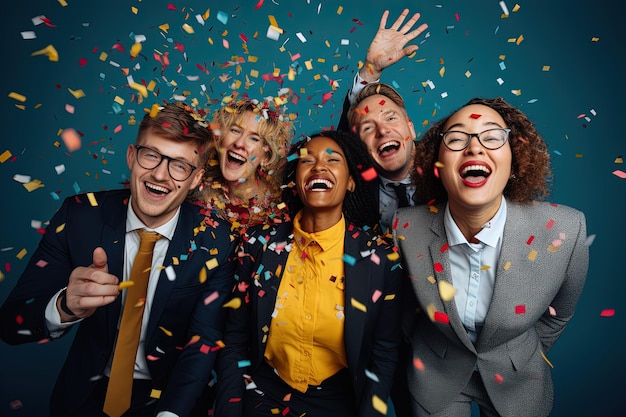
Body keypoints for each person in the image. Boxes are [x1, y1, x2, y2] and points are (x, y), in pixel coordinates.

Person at [0, 102, 239, 417]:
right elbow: (10, 325)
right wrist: (65, 306)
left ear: (196, 180)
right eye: (151, 155)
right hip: (84, 398)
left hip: (170, 400)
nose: (160, 174)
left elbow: (203, 342)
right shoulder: (80, 216)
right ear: (131, 156)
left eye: (179, 165)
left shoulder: (217, 239)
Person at [394, 97, 589, 417]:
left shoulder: (566, 231)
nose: (474, 148)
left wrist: (513, 353)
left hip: (517, 379)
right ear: (436, 164)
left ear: (516, 160)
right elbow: (403, 310)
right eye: (456, 138)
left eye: (493, 136)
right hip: (436, 374)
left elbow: (559, 315)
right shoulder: (404, 226)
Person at [214, 130, 405, 417]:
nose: (318, 166)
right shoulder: (257, 246)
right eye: (307, 160)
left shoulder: (381, 259)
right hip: (263, 397)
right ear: (295, 180)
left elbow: (385, 354)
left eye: (333, 160)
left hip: (338, 403)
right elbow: (235, 340)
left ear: (351, 181)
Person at [338, 9, 428, 232]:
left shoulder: (446, 168)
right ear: (358, 143)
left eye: (390, 118)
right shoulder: (355, 186)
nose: (382, 131)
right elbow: (340, 143)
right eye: (368, 127)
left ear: (411, 127)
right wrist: (371, 69)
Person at [196, 95, 295, 230]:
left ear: (266, 157)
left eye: (254, 139)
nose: (239, 143)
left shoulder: (278, 211)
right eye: (235, 130)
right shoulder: (196, 189)